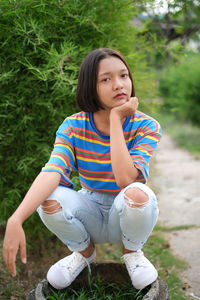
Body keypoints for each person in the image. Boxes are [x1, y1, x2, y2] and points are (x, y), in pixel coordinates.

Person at [3, 48, 161, 290]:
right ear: (90, 85)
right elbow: (52, 171)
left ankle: (132, 253)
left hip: (128, 212)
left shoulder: (146, 126)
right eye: (106, 79)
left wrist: (116, 120)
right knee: (49, 199)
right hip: (91, 212)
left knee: (138, 194)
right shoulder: (73, 126)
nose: (119, 85)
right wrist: (17, 219)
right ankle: (83, 252)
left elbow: (125, 179)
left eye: (124, 75)